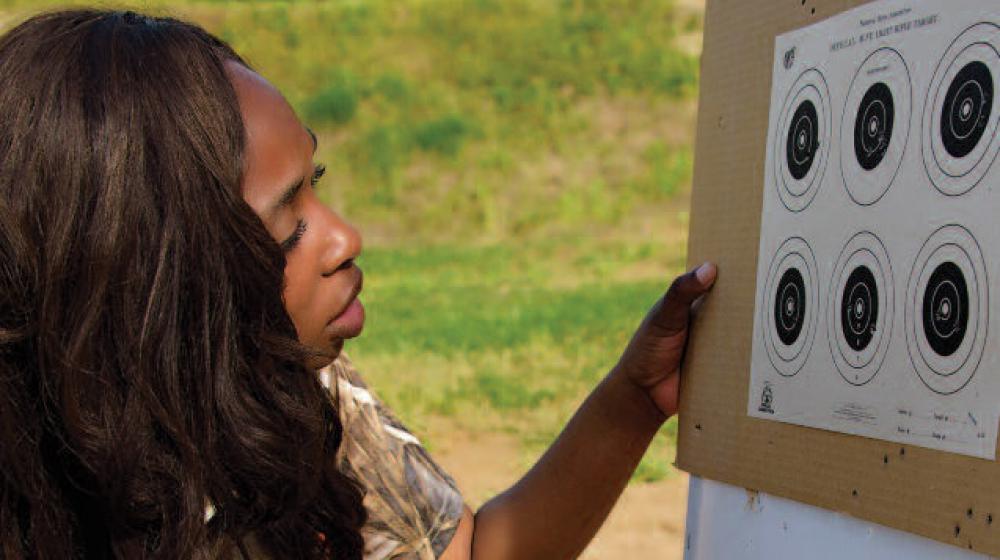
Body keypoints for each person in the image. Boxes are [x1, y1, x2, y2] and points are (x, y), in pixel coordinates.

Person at [0, 9, 718, 560]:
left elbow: (465, 552)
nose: (345, 237)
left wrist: (632, 399)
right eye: (288, 218)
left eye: (316, 186)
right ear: (151, 277)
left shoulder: (295, 391)